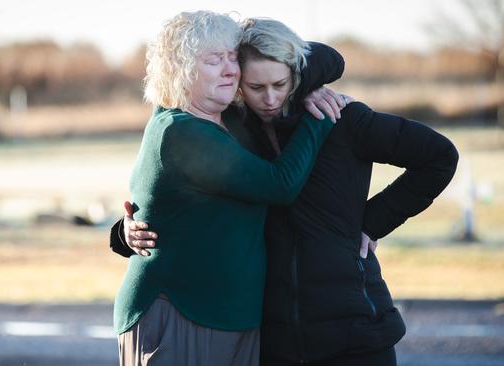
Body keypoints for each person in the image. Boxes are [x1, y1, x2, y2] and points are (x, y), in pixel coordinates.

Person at [115, 18, 459, 366]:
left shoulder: (342, 118)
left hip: (353, 329)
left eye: (280, 84)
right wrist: (125, 231)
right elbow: (175, 192)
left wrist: (370, 222)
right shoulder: (234, 128)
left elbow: (439, 157)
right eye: (255, 87)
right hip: (274, 338)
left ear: (297, 76)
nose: (269, 98)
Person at [112, 11, 336, 366]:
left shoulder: (229, 119)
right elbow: (279, 185)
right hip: (180, 312)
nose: (231, 70)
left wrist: (258, 38)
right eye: (214, 60)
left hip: (230, 315)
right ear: (180, 68)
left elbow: (328, 60)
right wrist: (320, 116)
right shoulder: (179, 130)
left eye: (233, 58)